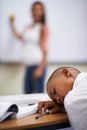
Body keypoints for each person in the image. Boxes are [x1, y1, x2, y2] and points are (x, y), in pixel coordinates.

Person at [9, 1, 48, 93]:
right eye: (34, 10)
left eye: (38, 10)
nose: (36, 12)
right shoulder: (27, 27)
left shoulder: (42, 28)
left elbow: (45, 50)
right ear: (31, 12)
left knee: (37, 98)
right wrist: (12, 24)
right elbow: (19, 36)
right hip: (28, 66)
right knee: (26, 95)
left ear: (42, 12)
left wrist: (40, 69)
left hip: (37, 66)